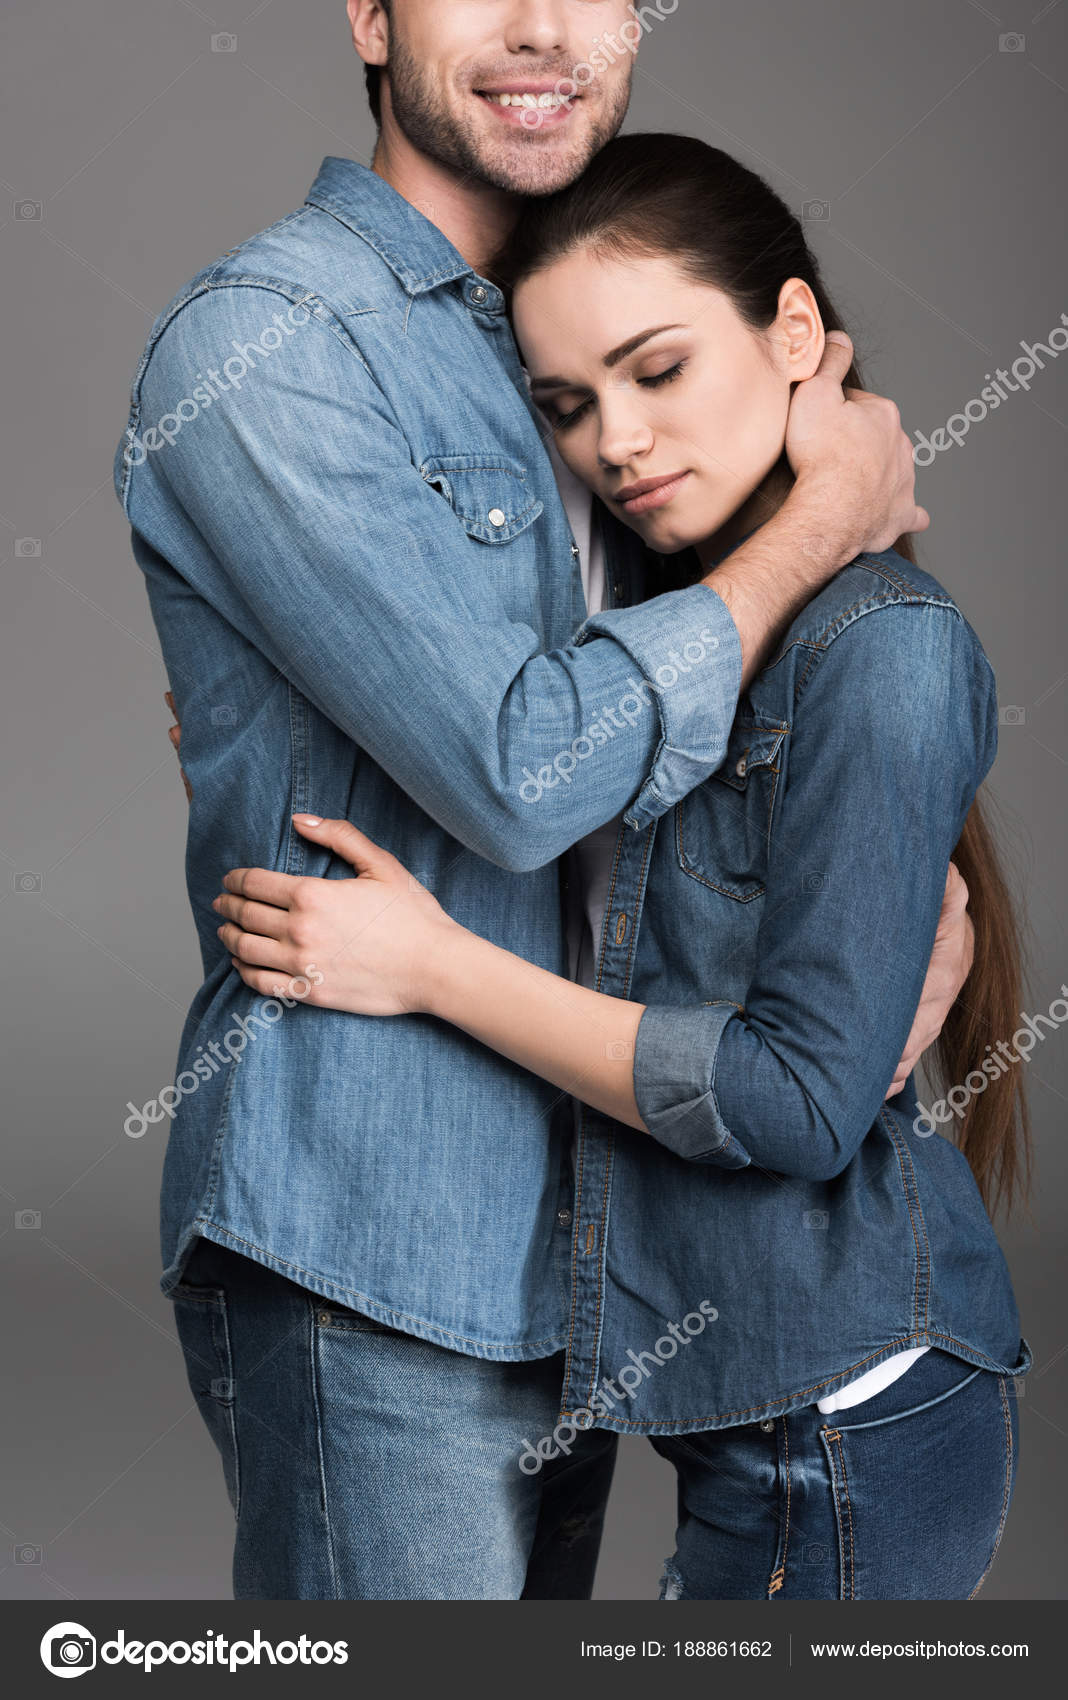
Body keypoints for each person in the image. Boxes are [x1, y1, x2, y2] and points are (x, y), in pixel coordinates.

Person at [118, 0, 968, 1599]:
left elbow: (728, 786)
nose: (541, 28)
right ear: (369, 15)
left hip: (593, 1241)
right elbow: (526, 779)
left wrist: (860, 978)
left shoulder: (579, 335)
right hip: (374, 1237)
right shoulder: (270, 339)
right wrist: (822, 525)